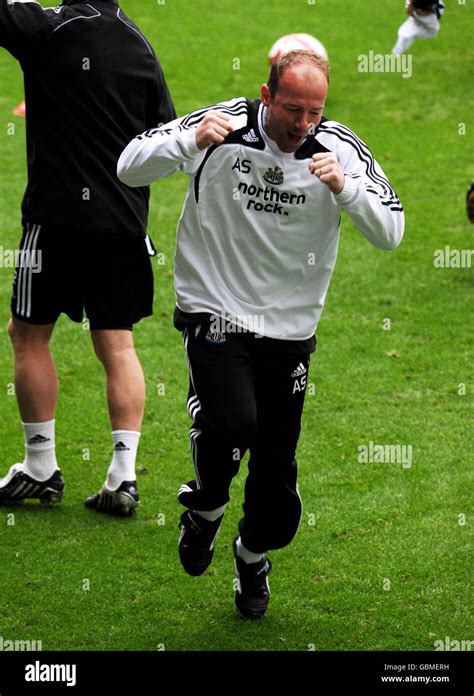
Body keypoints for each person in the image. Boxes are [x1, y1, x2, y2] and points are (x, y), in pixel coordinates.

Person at [118, 50, 404, 617]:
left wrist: (346, 189)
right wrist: (190, 141)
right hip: (214, 308)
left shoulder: (340, 148)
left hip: (290, 330)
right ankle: (205, 507)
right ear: (266, 95)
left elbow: (392, 230)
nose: (303, 125)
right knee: (233, 421)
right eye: (292, 109)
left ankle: (251, 556)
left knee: (278, 497)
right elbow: (129, 165)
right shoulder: (223, 124)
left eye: (314, 113)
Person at [0, 0, 175, 515]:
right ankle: (123, 477)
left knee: (28, 333)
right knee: (117, 345)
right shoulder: (138, 44)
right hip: (122, 227)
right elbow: (165, 134)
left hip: (54, 223)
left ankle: (40, 467)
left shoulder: (46, 27)